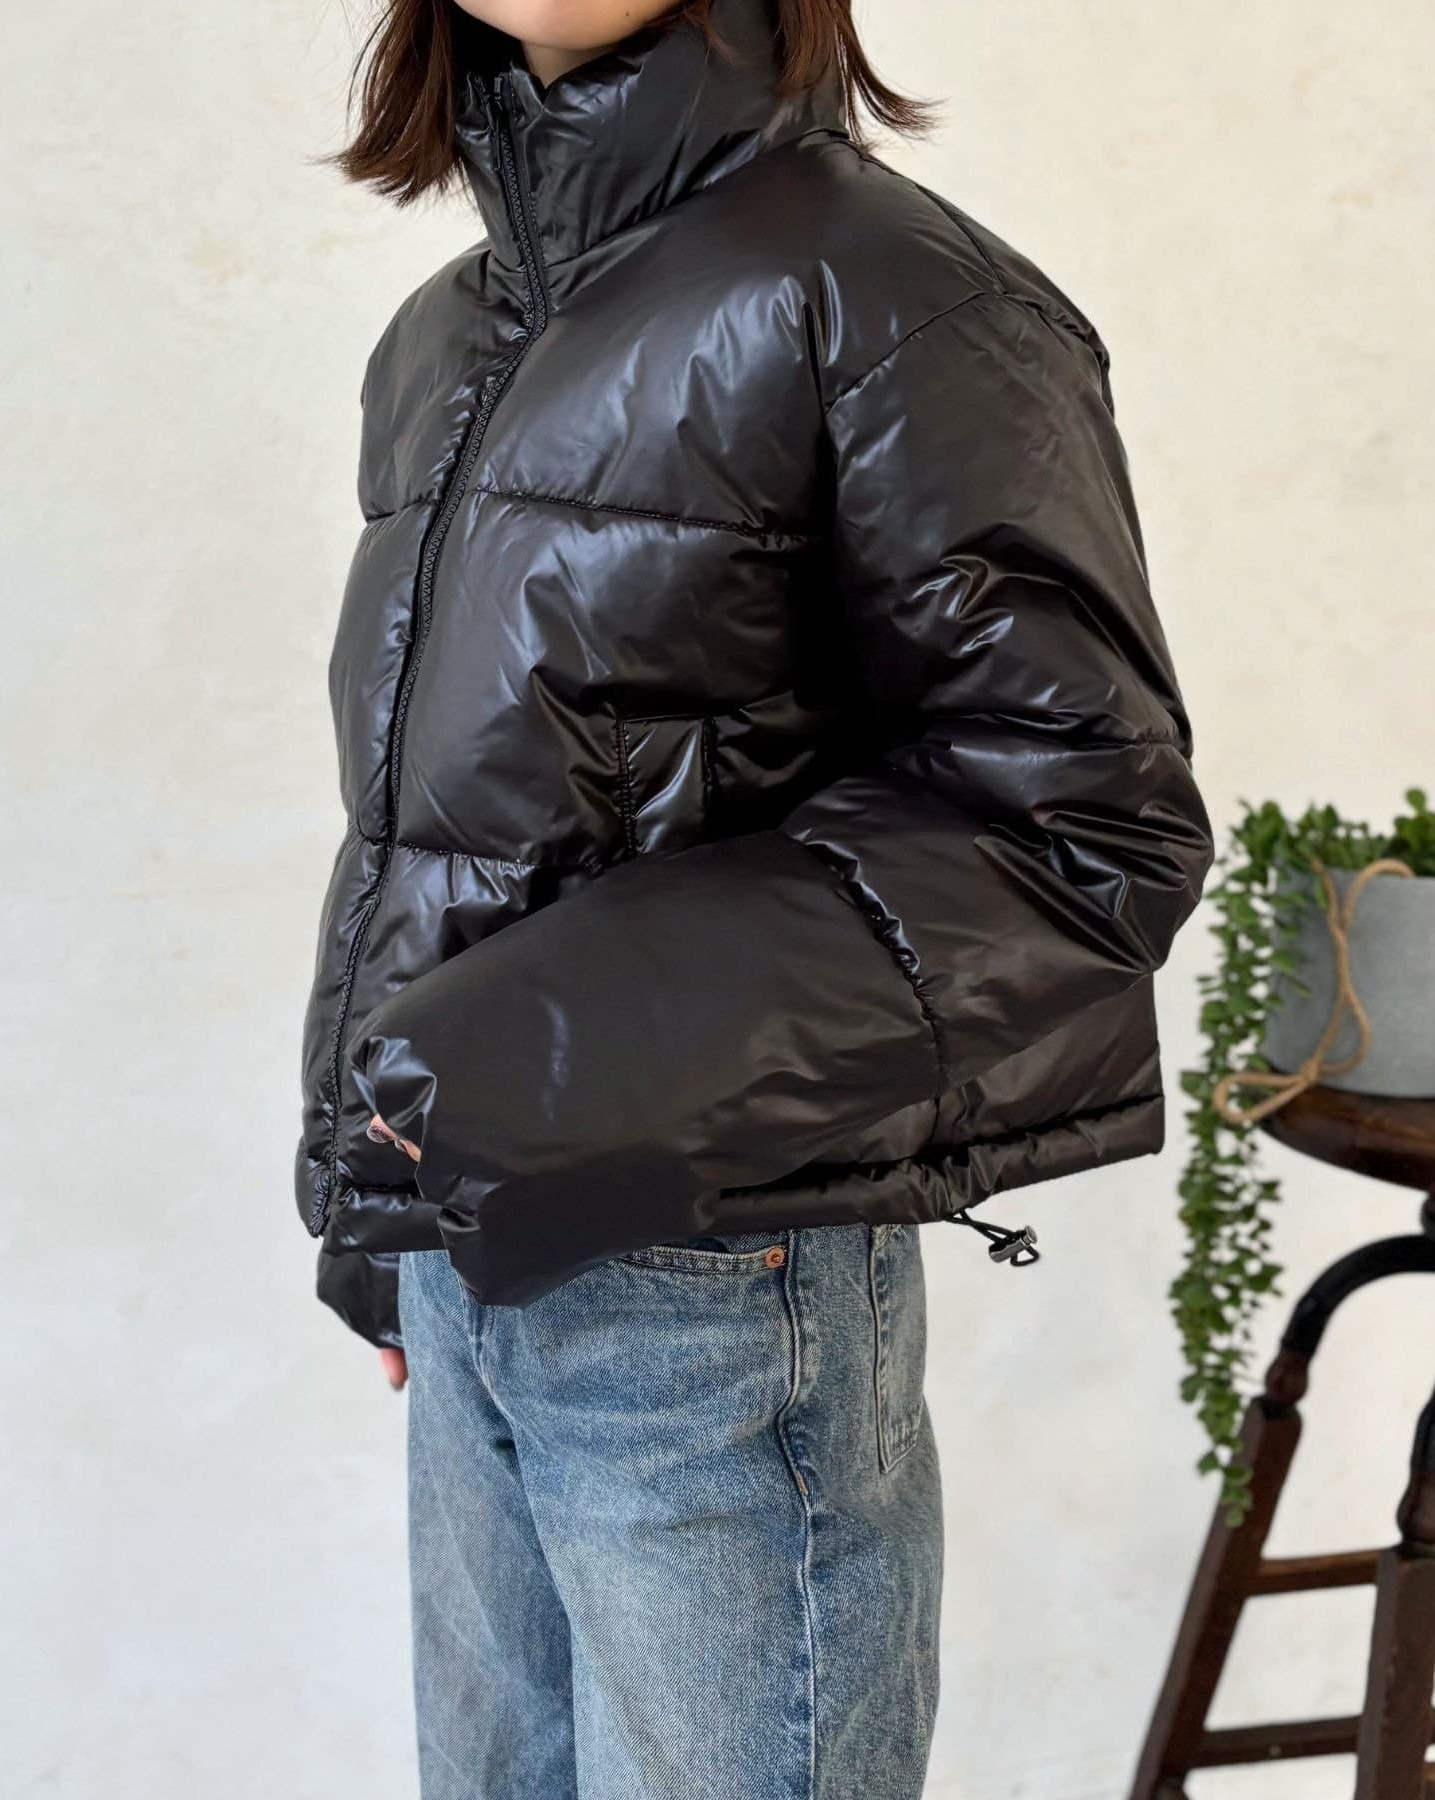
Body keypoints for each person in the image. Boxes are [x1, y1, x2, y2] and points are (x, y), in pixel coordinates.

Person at [295, 1, 1213, 1792]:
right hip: (473, 1259)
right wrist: (386, 1202)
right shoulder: (446, 339)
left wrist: (531, 1059)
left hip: (718, 1277)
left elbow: (1085, 830)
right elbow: (456, 815)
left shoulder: (895, 294)